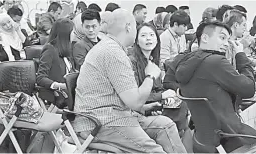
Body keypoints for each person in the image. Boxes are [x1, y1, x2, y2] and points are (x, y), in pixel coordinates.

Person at [72, 9, 184, 153]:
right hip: (102, 122)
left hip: (114, 116)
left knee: (165, 125)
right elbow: (135, 102)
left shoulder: (111, 47)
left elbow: (129, 100)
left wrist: (144, 107)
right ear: (128, 27)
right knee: (156, 151)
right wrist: (150, 76)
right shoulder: (113, 52)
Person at [167, 21, 256, 153]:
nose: (225, 43)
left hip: (206, 133)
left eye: (227, 40)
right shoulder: (216, 62)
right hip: (229, 133)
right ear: (205, 38)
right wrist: (240, 55)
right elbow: (248, 89)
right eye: (222, 38)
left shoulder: (187, 60)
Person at [128, 23, 192, 152]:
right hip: (139, 107)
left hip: (154, 102)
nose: (148, 39)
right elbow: (134, 95)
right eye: (143, 35)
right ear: (136, 40)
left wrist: (167, 96)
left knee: (181, 104)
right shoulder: (131, 61)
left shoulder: (152, 60)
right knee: (178, 115)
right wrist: (161, 96)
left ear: (157, 39)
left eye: (152, 35)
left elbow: (157, 88)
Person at [36, 18, 74, 107]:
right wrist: (60, 86)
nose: (75, 35)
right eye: (73, 32)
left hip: (68, 92)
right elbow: (40, 78)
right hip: (57, 94)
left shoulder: (67, 49)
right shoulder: (50, 50)